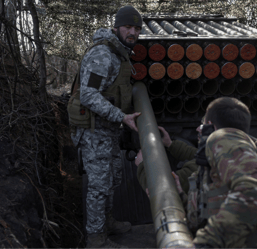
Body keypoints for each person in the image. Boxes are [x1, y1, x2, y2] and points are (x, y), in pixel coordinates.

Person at [178, 97, 257, 249]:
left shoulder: (222, 138)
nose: (198, 130)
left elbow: (254, 190)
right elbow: (208, 211)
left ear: (211, 125)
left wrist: (207, 242)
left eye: (202, 124)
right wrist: (181, 195)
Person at [69, 5, 143, 249]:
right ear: (116, 27)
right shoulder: (103, 54)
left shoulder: (119, 53)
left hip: (107, 129)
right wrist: (121, 117)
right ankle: (96, 239)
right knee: (99, 186)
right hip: (93, 131)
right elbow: (89, 95)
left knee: (112, 178)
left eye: (136, 28)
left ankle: (106, 223)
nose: (132, 32)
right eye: (127, 27)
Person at [134, 126, 198, 194]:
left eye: (204, 125)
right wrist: (170, 144)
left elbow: (159, 187)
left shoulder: (199, 168)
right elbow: (196, 154)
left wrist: (142, 165)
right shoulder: (208, 154)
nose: (198, 128)